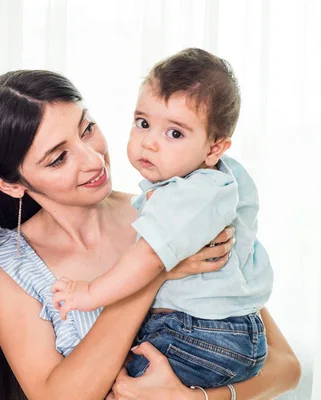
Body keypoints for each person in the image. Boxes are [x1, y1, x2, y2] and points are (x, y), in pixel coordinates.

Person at [0, 69, 301, 400]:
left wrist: (196, 399)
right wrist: (155, 273)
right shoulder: (14, 266)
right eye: (58, 158)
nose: (92, 159)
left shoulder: (172, 212)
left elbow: (284, 365)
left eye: (87, 129)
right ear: (10, 183)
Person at [51, 48, 273, 389]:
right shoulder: (218, 181)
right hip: (229, 331)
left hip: (203, 331)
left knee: (123, 385)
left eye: (175, 133)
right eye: (143, 123)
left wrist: (89, 293)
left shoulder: (191, 194)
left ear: (214, 149)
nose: (150, 142)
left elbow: (148, 258)